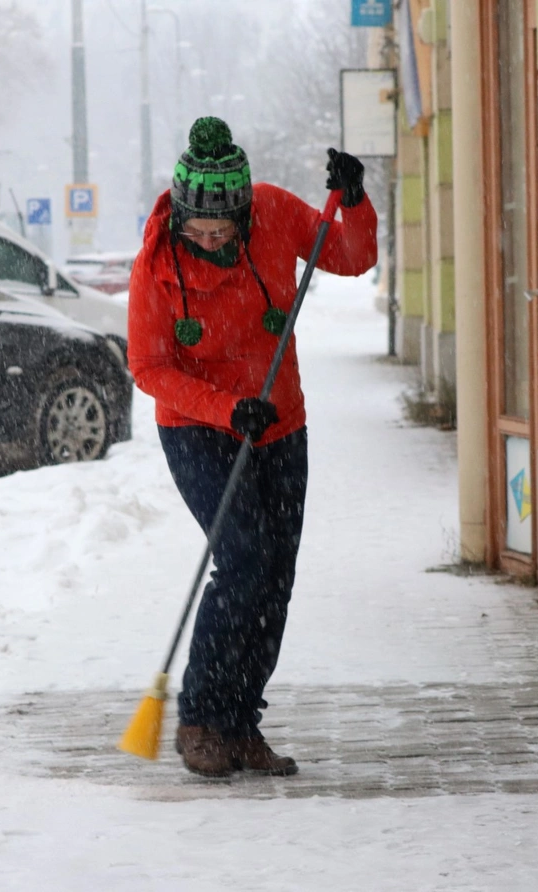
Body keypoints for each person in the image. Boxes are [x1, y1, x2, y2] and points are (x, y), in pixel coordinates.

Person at [127, 117, 377, 778]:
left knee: (275, 577)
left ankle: (242, 725)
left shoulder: (273, 210)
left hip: (279, 423)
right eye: (198, 231)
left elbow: (352, 257)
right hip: (196, 428)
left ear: (244, 212)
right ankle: (201, 719)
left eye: (222, 230)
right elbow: (149, 368)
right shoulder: (156, 264)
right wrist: (224, 406)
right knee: (242, 559)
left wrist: (353, 201)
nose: (209, 241)